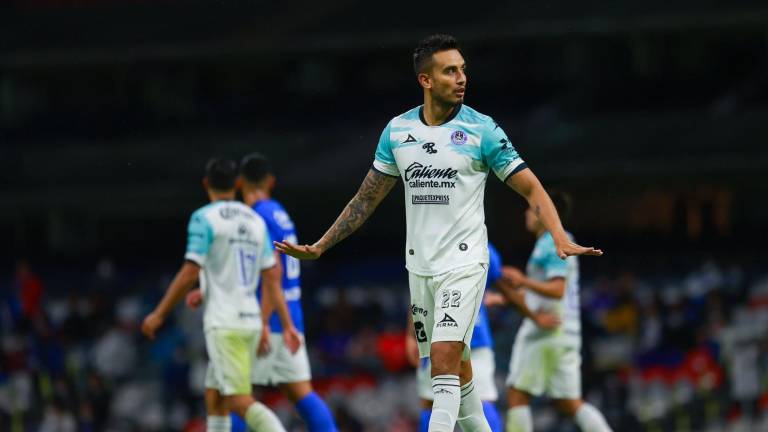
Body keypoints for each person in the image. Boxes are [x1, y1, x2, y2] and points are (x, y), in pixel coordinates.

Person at [276, 34, 602, 432]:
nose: (461, 78)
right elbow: (365, 200)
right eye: (450, 71)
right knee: (459, 375)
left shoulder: (482, 130)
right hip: (420, 268)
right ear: (426, 80)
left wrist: (558, 236)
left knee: (443, 362)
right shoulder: (398, 132)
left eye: (463, 69)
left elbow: (532, 187)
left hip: (464, 263)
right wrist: (321, 246)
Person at [141, 158, 298, 432]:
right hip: (250, 321)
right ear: (237, 184)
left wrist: (159, 313)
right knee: (215, 397)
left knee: (238, 401)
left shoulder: (204, 218)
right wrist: (276, 323)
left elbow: (190, 271)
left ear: (206, 184)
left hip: (225, 324)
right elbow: (272, 275)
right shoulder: (254, 220)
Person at [187, 153, 337, 431]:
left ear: (239, 183)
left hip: (264, 318)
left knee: (232, 395)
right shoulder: (280, 213)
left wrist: (264, 321)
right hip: (291, 317)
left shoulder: (256, 217)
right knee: (301, 393)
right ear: (271, 181)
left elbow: (271, 273)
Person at [407, 242, 560, 432]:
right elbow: (420, 291)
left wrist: (412, 334)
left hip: (448, 336)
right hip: (463, 336)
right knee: (468, 399)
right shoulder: (478, 245)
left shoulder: (441, 243)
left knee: (437, 401)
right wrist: (412, 334)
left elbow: (420, 291)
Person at [499, 192, 613, 432]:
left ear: (545, 211)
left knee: (518, 394)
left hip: (545, 330)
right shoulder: (560, 239)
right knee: (569, 403)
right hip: (566, 330)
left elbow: (557, 289)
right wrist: (504, 297)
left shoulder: (551, 242)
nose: (526, 213)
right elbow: (547, 290)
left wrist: (523, 281)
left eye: (531, 208)